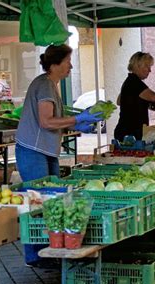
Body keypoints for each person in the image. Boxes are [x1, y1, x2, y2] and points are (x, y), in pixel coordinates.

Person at [15, 44, 103, 266]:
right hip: (33, 150)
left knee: (52, 202)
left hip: (45, 150)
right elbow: (46, 122)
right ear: (55, 65)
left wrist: (77, 126)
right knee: (38, 201)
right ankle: (35, 255)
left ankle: (50, 250)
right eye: (67, 62)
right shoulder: (45, 85)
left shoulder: (50, 85)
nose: (71, 66)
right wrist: (77, 120)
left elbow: (53, 122)